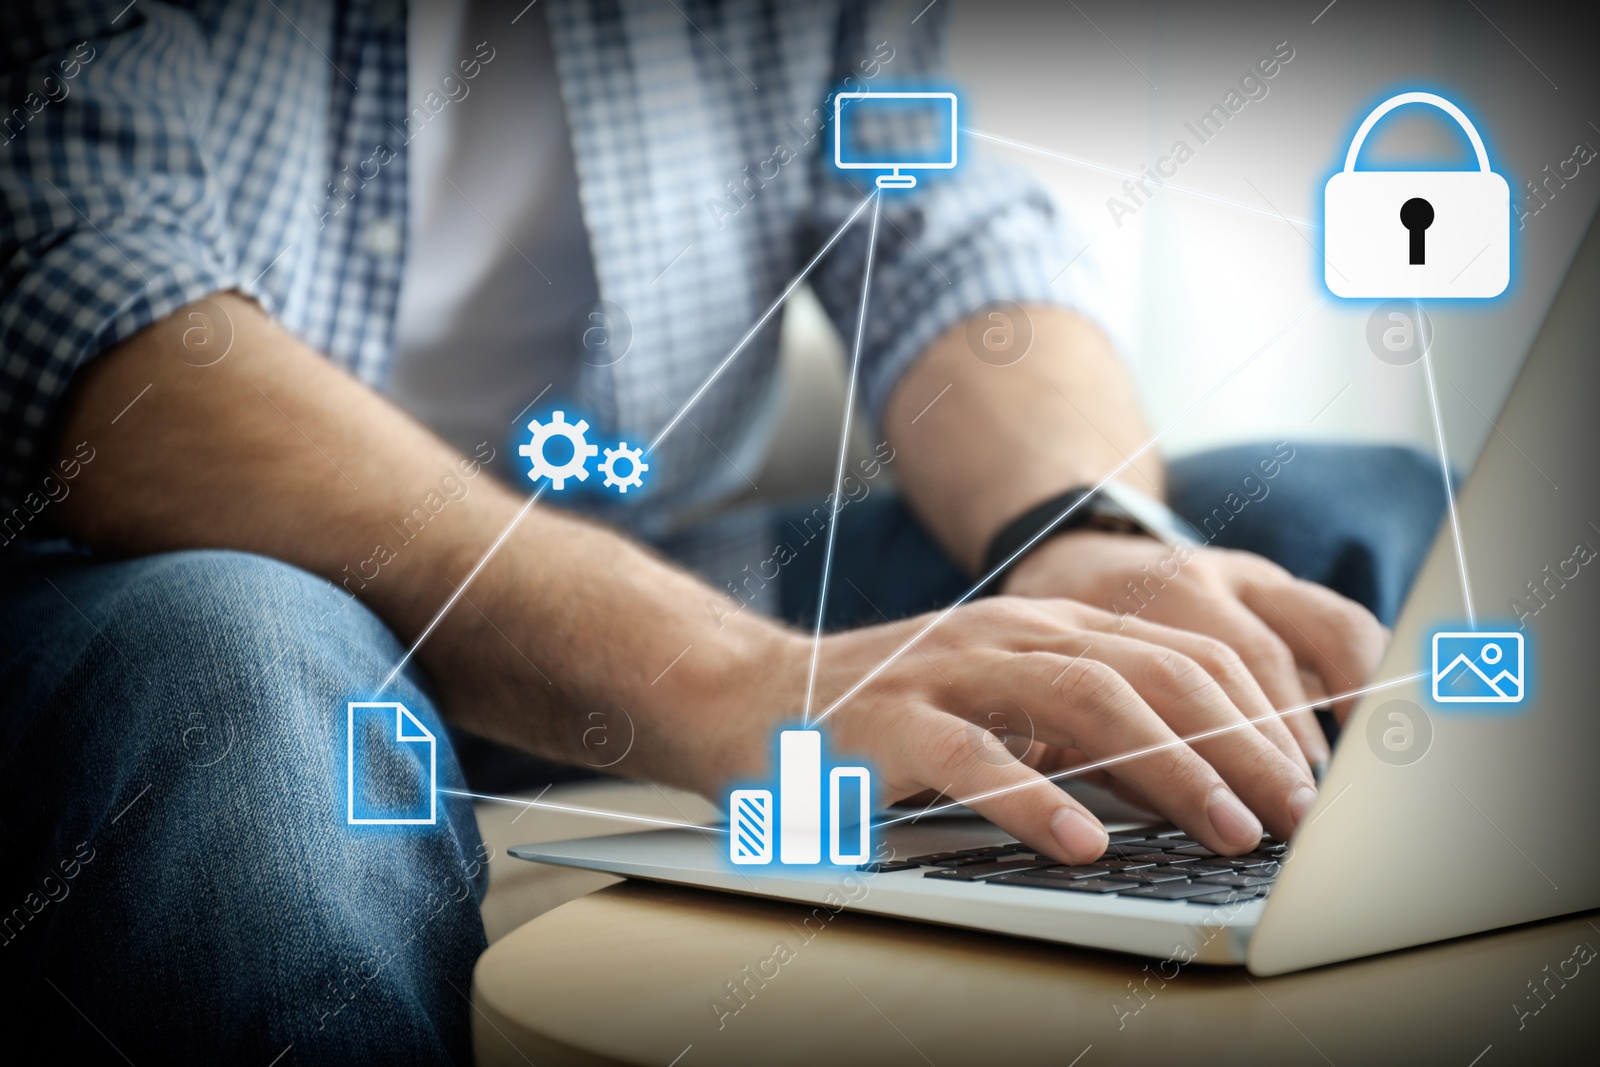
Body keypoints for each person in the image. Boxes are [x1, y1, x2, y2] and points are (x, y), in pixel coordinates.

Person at [0, 0, 1443, 1060]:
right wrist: (725, 681)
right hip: (176, 586)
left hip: (674, 553)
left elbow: (946, 233)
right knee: (241, 666)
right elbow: (99, 299)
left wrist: (1085, 534)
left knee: (1333, 519)